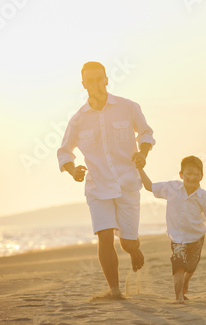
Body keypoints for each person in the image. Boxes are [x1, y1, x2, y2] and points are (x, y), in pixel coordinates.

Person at [57, 61, 155, 299]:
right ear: (83, 84)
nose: (95, 84)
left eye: (99, 79)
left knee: (128, 243)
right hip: (97, 187)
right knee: (104, 235)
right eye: (90, 81)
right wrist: (72, 170)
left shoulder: (128, 107)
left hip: (128, 183)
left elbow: (146, 133)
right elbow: (64, 151)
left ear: (106, 79)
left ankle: (133, 249)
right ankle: (115, 290)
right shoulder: (77, 120)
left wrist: (142, 153)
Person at [136, 156, 206, 304]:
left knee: (191, 267)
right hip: (177, 238)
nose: (192, 177)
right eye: (189, 173)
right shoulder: (171, 188)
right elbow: (149, 186)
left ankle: (185, 282)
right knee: (179, 267)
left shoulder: (204, 197)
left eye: (196, 174)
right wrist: (139, 168)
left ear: (201, 176)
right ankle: (179, 298)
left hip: (196, 238)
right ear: (181, 174)